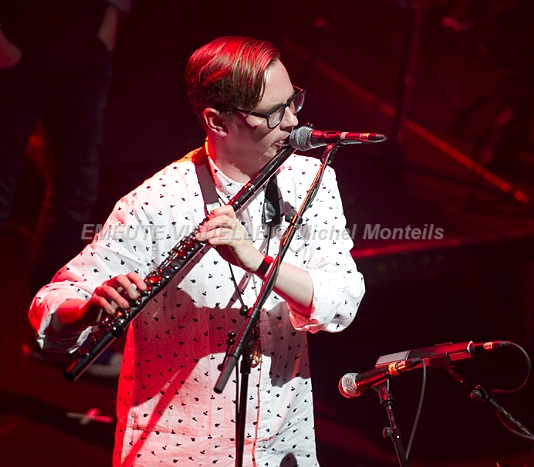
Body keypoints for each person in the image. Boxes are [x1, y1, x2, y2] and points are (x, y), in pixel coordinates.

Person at [29, 35, 365, 466]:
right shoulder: (155, 204)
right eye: (274, 112)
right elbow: (51, 302)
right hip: (179, 448)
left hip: (282, 443)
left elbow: (343, 300)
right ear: (217, 121)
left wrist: (259, 263)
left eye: (293, 101)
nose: (293, 122)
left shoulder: (310, 181)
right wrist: (88, 310)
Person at [0, 0, 131, 417]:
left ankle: (53, 337)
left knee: (74, 199)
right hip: (13, 48)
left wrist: (110, 17)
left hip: (84, 50)